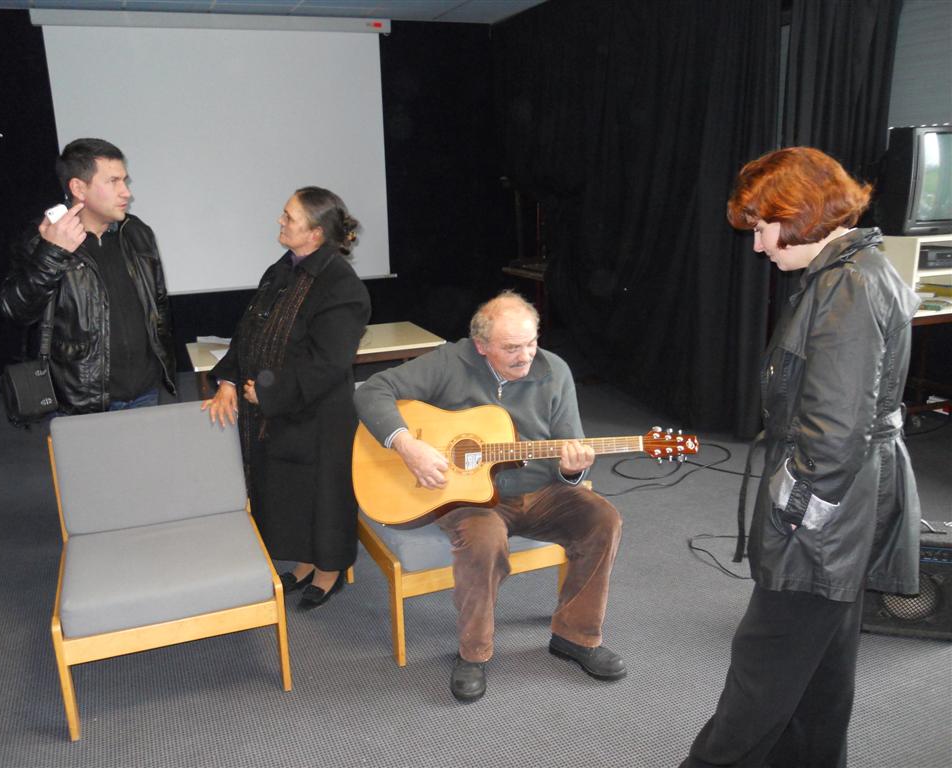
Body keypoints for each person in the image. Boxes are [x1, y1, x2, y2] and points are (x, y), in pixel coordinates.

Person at [680, 147, 921, 768]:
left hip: (828, 508)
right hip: (850, 500)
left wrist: (793, 517)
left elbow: (834, 436)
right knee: (822, 669)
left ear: (799, 214)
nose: (758, 244)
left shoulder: (848, 287)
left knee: (761, 669)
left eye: (762, 227)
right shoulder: (855, 270)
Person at [354, 290, 625, 702]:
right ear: (481, 346)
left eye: (531, 343)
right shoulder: (450, 362)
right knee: (483, 540)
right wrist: (408, 446)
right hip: (467, 497)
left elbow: (571, 445)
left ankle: (576, 635)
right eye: (512, 348)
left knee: (603, 518)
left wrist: (573, 470)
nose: (526, 356)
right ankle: (473, 653)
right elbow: (371, 391)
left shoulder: (555, 371)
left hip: (540, 490)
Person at [203, 187, 370, 610]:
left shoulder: (341, 286)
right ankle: (305, 562)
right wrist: (228, 380)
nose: (280, 221)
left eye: (289, 217)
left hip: (319, 415)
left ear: (315, 233)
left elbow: (328, 363)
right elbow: (247, 331)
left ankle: (329, 572)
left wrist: (270, 392)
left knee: (323, 496)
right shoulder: (282, 269)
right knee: (291, 494)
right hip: (278, 411)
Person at [0, 138, 176, 413]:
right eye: (113, 181)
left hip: (145, 391)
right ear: (78, 188)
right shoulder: (41, 239)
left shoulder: (138, 233)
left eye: (125, 181)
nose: (126, 193)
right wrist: (53, 252)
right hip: (83, 400)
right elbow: (15, 310)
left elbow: (158, 304)